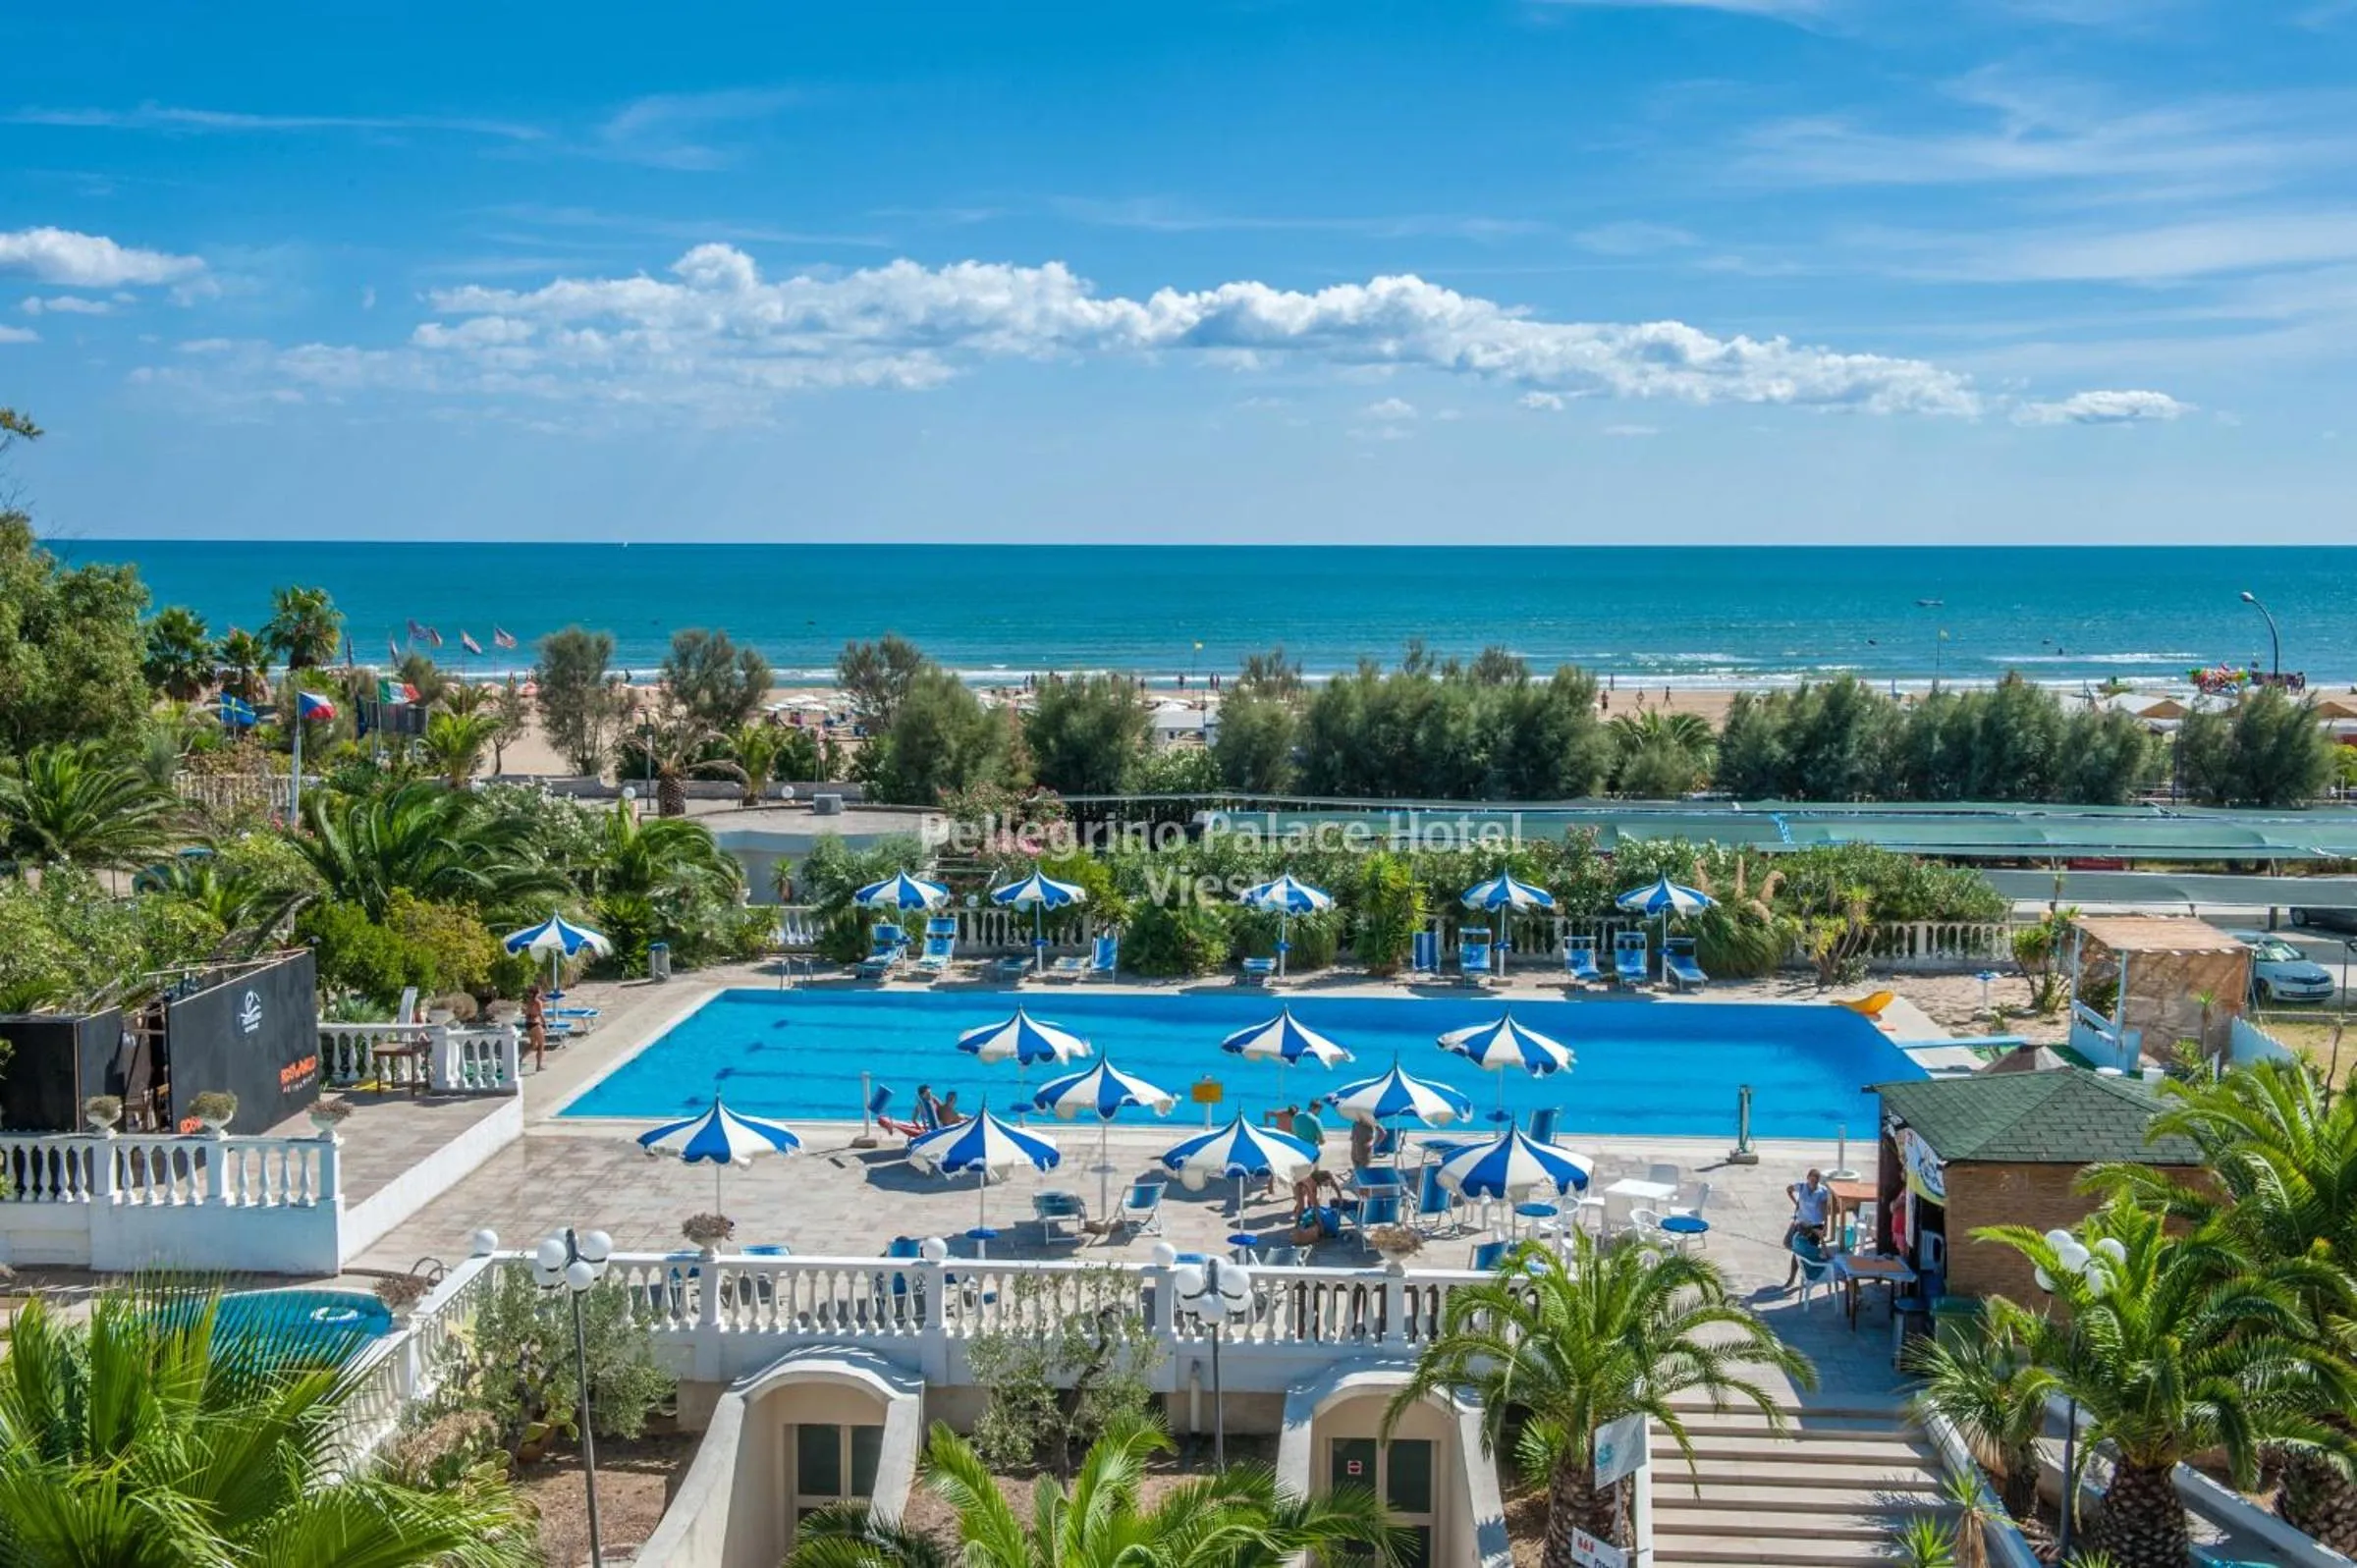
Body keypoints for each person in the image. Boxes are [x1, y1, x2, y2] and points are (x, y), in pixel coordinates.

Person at [1783, 1168, 1832, 1287]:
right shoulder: (1801, 1187)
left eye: (1816, 1181)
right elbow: (1789, 1189)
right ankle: (1798, 1272)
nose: (1813, 1184)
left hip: (1814, 1224)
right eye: (1811, 1180)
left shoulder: (1822, 1191)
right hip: (1801, 1223)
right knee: (1788, 1243)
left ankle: (1795, 1277)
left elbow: (1825, 1208)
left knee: (1802, 1251)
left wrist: (1825, 1225)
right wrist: (1796, 1203)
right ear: (1808, 1178)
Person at [1290, 1171, 1345, 1248]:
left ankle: (1311, 1223)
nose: (1327, 1186)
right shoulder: (1312, 1185)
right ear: (1322, 1180)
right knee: (1301, 1207)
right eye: (1326, 1184)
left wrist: (1340, 1198)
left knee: (1313, 1206)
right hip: (1299, 1186)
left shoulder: (1328, 1176)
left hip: (1307, 1184)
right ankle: (1297, 1225)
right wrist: (1321, 1225)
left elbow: (1335, 1186)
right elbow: (1315, 1207)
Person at [522, 984, 548, 1071]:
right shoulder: (538, 1002)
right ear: (537, 993)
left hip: (528, 1024)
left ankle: (520, 1059)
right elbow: (540, 1014)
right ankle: (538, 1066)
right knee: (541, 1045)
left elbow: (525, 1014)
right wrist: (545, 1024)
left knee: (533, 1045)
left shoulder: (529, 1002)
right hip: (535, 1024)